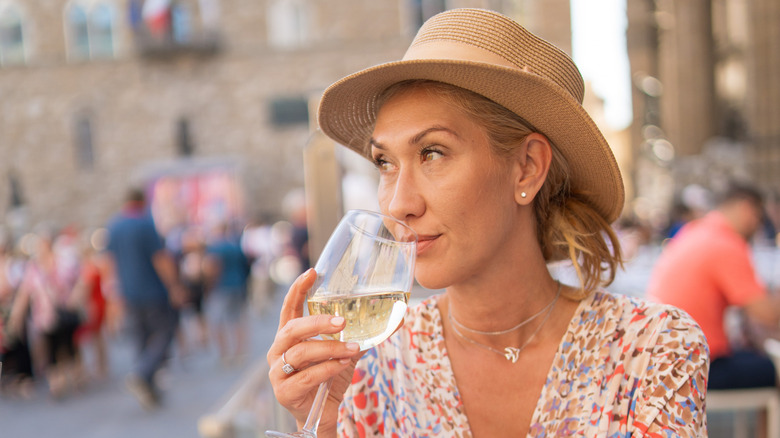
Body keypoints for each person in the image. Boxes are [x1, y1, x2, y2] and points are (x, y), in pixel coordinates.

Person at [266, 8, 708, 437]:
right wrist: (323, 428)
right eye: (384, 162)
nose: (399, 203)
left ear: (527, 167)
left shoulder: (653, 351)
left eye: (432, 153)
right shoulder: (374, 366)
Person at [648, 182, 779, 390]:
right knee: (775, 368)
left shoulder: (696, 230)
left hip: (665, 359)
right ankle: (771, 423)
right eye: (759, 217)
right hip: (696, 365)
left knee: (760, 358)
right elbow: (767, 314)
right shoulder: (726, 243)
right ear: (747, 208)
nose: (758, 225)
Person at [103, 188, 186, 410]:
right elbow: (161, 259)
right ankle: (142, 374)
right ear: (142, 202)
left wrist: (114, 294)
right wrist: (175, 286)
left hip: (130, 293)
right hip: (152, 293)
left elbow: (110, 264)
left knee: (141, 340)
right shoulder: (145, 224)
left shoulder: (114, 226)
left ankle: (148, 389)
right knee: (163, 334)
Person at [204, 222, 251, 366]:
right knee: (236, 320)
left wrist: (208, 286)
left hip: (221, 288)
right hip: (237, 285)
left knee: (217, 322)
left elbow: (211, 268)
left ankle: (224, 354)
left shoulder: (215, 248)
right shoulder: (235, 246)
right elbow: (246, 265)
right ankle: (240, 352)